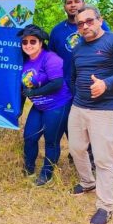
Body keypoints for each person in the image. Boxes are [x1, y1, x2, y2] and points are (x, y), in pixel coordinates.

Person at [68, 5, 113, 224]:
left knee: (104, 159)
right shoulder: (77, 49)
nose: (85, 26)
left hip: (105, 109)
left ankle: (105, 206)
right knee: (76, 148)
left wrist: (106, 84)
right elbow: (74, 76)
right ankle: (87, 182)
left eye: (89, 21)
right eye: (80, 23)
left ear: (99, 20)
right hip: (79, 106)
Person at [48, 0, 110, 166]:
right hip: (66, 87)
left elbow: (109, 50)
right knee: (70, 122)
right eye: (69, 2)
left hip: (91, 84)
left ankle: (93, 160)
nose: (73, 4)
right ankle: (78, 154)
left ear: (83, 3)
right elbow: (51, 59)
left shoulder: (98, 25)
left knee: (92, 126)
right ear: (64, 6)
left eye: (77, 1)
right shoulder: (57, 31)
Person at [17, 24, 73, 186]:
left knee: (51, 141)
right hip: (39, 106)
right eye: (25, 42)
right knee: (29, 137)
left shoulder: (50, 58)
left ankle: (46, 174)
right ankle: (29, 168)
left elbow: (57, 83)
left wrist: (33, 94)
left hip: (57, 105)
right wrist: (19, 109)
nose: (28, 45)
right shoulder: (24, 61)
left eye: (33, 41)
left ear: (41, 43)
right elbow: (22, 88)